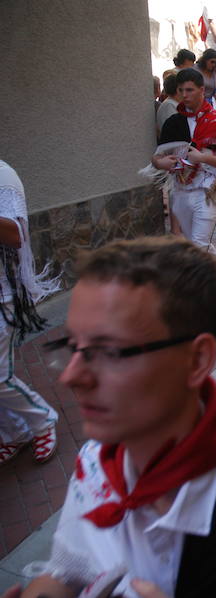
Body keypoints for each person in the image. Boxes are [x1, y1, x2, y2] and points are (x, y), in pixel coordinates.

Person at [2, 237, 216, 598]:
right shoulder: (97, 461)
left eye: (108, 351)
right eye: (72, 347)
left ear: (197, 360)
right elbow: (68, 571)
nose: (71, 376)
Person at [0, 161, 60, 467]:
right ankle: (14, 433)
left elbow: (15, 234)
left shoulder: (3, 175)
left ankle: (42, 420)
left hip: (4, 292)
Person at [154, 68, 216, 266]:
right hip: (181, 191)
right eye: (181, 90)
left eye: (190, 90)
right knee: (195, 245)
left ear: (202, 90)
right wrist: (163, 163)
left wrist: (202, 157)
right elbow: (156, 158)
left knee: (198, 246)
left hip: (208, 190)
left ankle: (196, 293)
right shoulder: (173, 122)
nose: (185, 95)